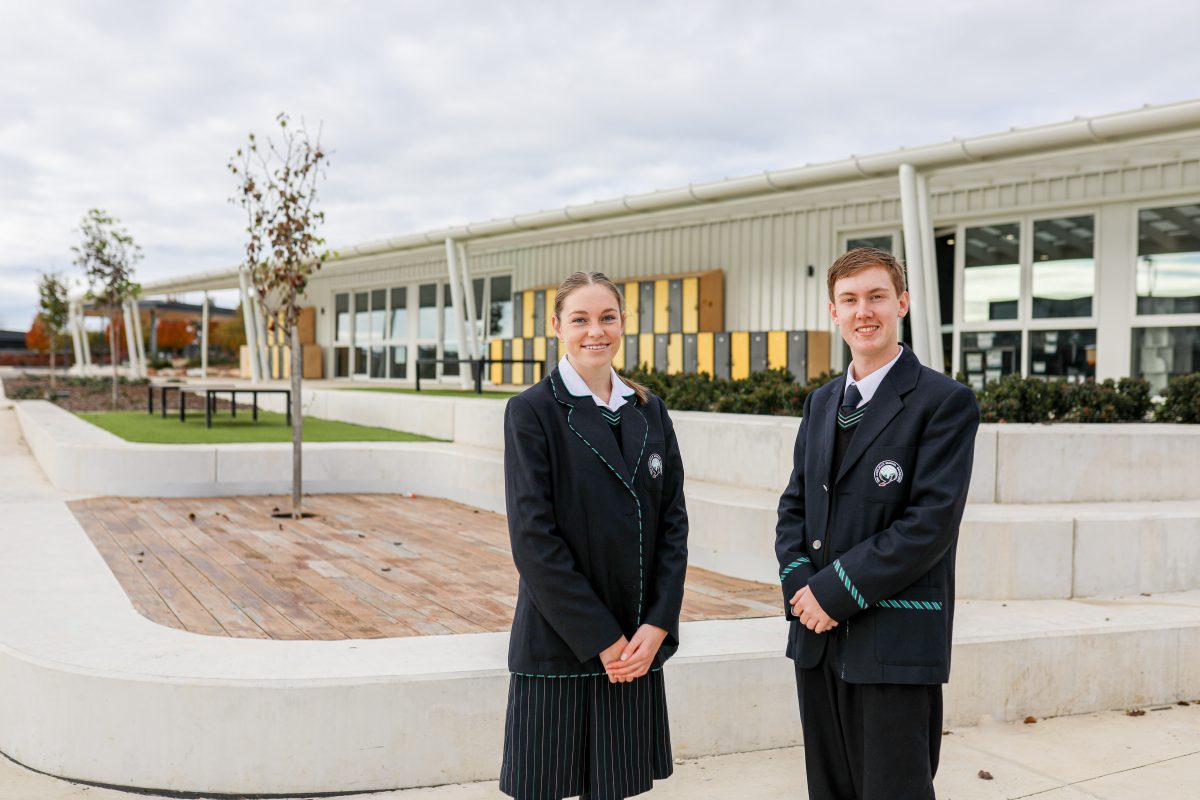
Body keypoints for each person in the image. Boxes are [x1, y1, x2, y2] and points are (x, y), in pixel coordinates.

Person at [775, 247, 980, 800]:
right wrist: (802, 591)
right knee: (830, 789)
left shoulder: (944, 402)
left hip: (893, 639)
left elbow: (929, 525)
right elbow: (794, 505)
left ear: (902, 304)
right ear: (833, 312)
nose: (863, 311)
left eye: (876, 297)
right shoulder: (820, 403)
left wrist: (832, 592)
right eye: (850, 300)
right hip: (817, 636)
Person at [500, 271, 689, 800]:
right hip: (563, 647)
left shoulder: (650, 411)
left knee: (617, 789)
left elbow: (673, 527)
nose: (595, 331)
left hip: (636, 646)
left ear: (623, 323)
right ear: (557, 325)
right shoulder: (531, 412)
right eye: (580, 319)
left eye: (607, 317)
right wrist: (604, 642)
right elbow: (534, 542)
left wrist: (658, 623)